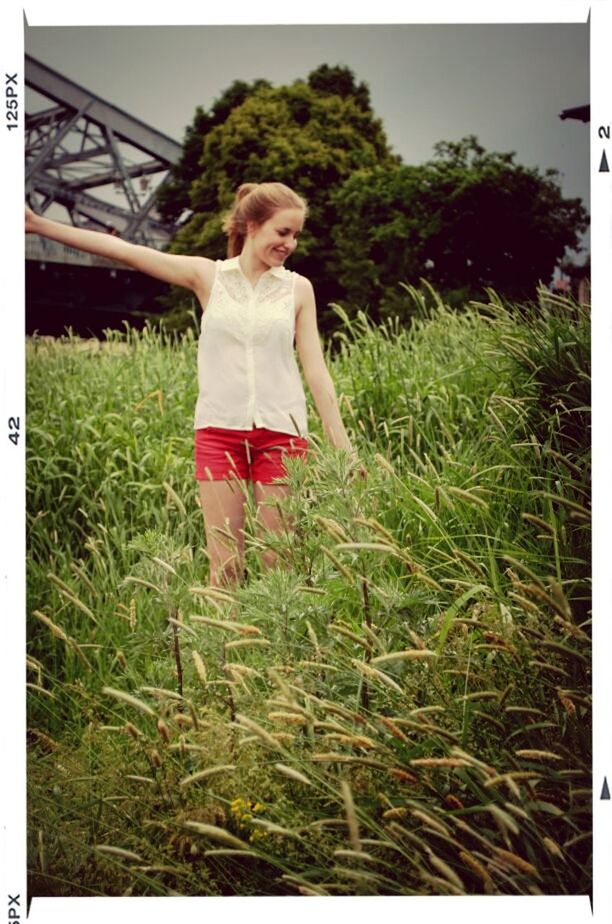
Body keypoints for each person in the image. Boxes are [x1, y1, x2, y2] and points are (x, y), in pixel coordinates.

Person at [25, 182, 360, 588]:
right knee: (226, 568)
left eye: (295, 235)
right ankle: (222, 652)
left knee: (282, 564)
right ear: (253, 225)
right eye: (282, 232)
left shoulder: (297, 289)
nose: (290, 243)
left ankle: (278, 652)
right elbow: (127, 251)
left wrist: (341, 443)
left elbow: (316, 369)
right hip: (219, 434)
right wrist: (39, 224)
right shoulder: (209, 276)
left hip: (282, 437)